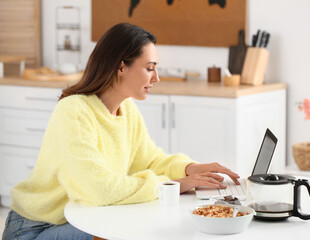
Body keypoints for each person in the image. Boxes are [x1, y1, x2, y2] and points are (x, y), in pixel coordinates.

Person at [2, 23, 240, 240]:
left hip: (84, 217)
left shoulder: (127, 109)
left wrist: (190, 169)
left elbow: (148, 160)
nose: (156, 78)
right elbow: (100, 190)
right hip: (34, 229)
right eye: (149, 68)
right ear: (120, 66)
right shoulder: (74, 111)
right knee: (122, 232)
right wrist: (174, 184)